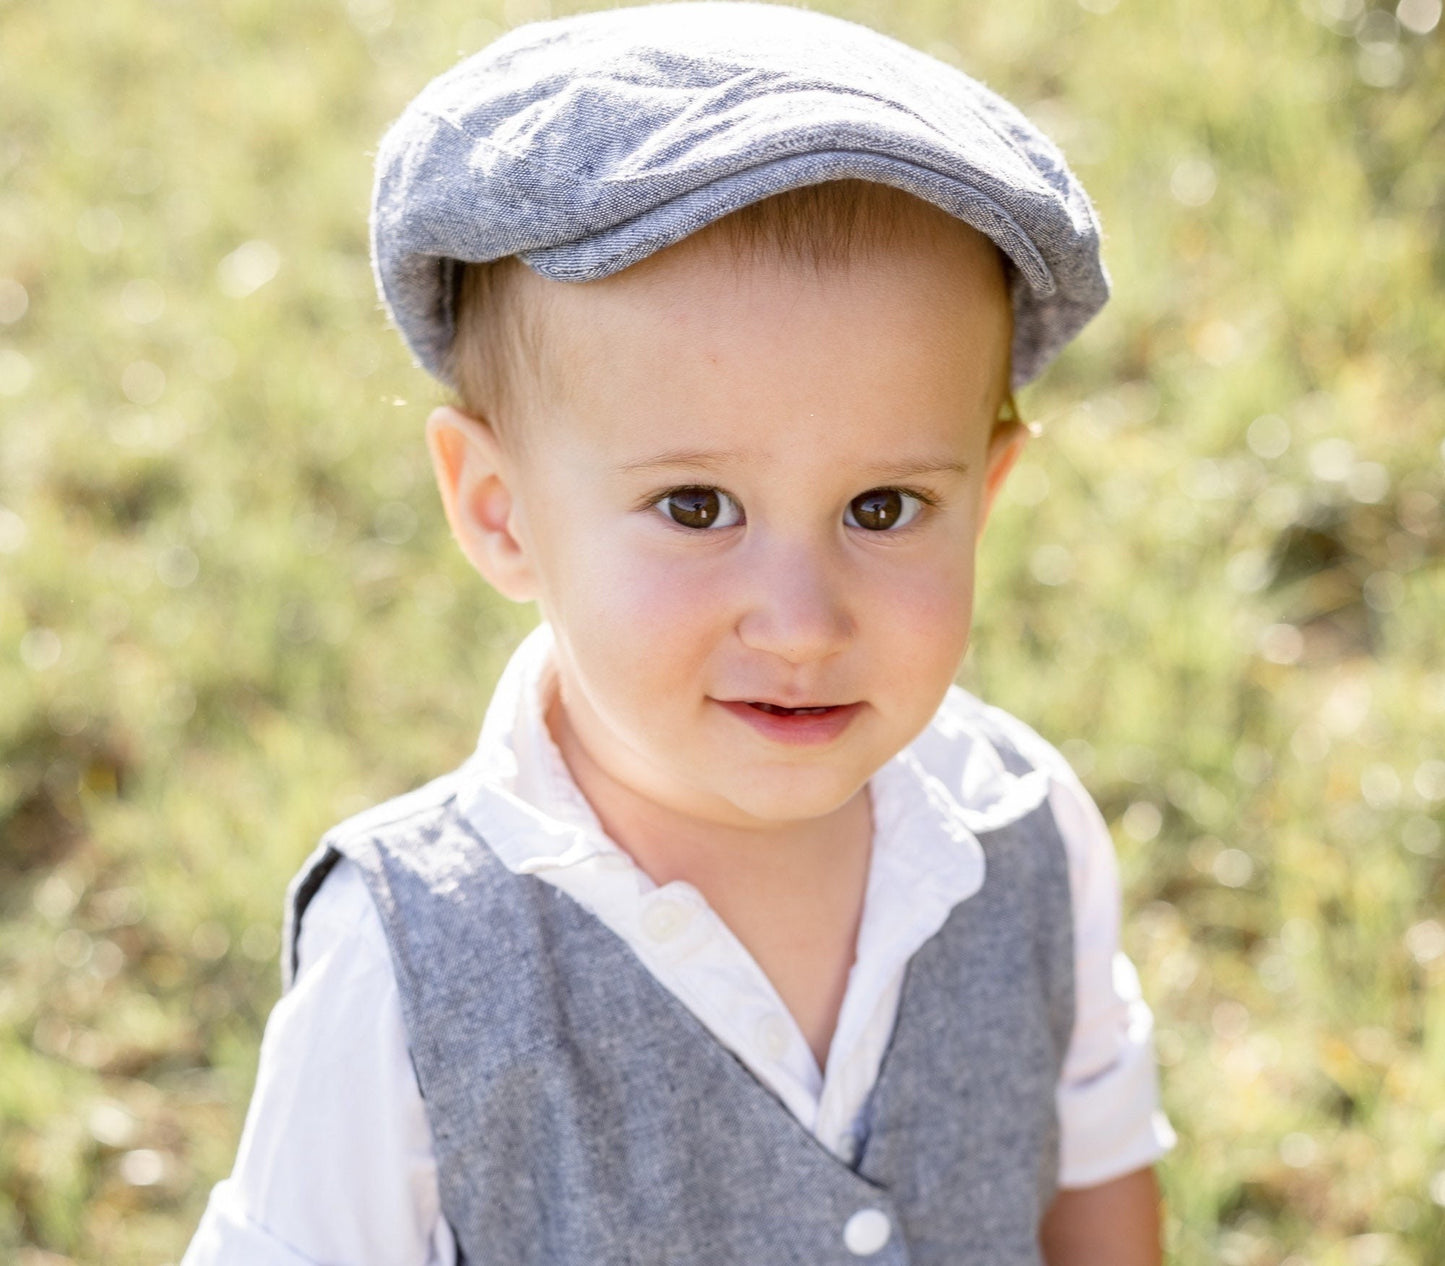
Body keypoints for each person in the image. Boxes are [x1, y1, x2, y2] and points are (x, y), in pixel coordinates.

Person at [183, 4, 1175, 1263]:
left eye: (883, 507)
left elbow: (1092, 1166)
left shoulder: (1021, 830)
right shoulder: (408, 966)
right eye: (695, 507)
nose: (803, 623)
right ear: (501, 515)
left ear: (985, 496)